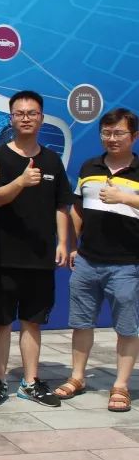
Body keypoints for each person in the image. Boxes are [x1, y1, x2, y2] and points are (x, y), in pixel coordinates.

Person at [0, 91, 71, 408]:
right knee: (2, 321)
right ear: (11, 119)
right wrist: (21, 182)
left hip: (40, 255)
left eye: (32, 113)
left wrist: (63, 242)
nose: (26, 118)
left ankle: (30, 382)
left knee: (33, 321)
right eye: (19, 113)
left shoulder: (52, 160)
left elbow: (62, 205)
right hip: (4, 255)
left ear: (41, 118)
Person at [58, 107, 139, 412]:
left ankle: (120, 385)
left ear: (134, 136)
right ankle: (77, 377)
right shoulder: (89, 166)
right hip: (88, 261)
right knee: (81, 323)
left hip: (128, 263)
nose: (112, 138)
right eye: (106, 132)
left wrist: (126, 198)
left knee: (127, 327)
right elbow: (77, 209)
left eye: (119, 133)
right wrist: (75, 245)